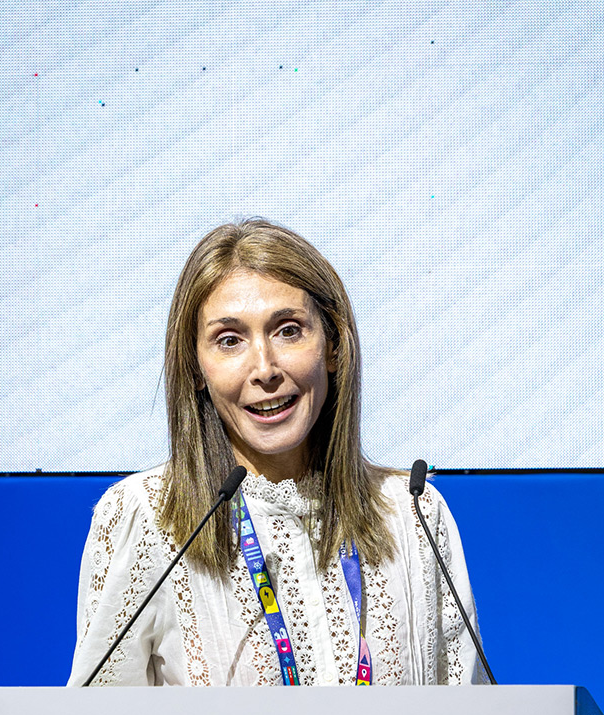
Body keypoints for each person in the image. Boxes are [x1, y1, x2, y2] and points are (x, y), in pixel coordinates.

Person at [68, 219, 487, 687]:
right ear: (196, 368)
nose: (264, 369)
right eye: (230, 340)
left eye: (288, 331)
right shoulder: (145, 516)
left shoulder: (413, 513)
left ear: (333, 347)